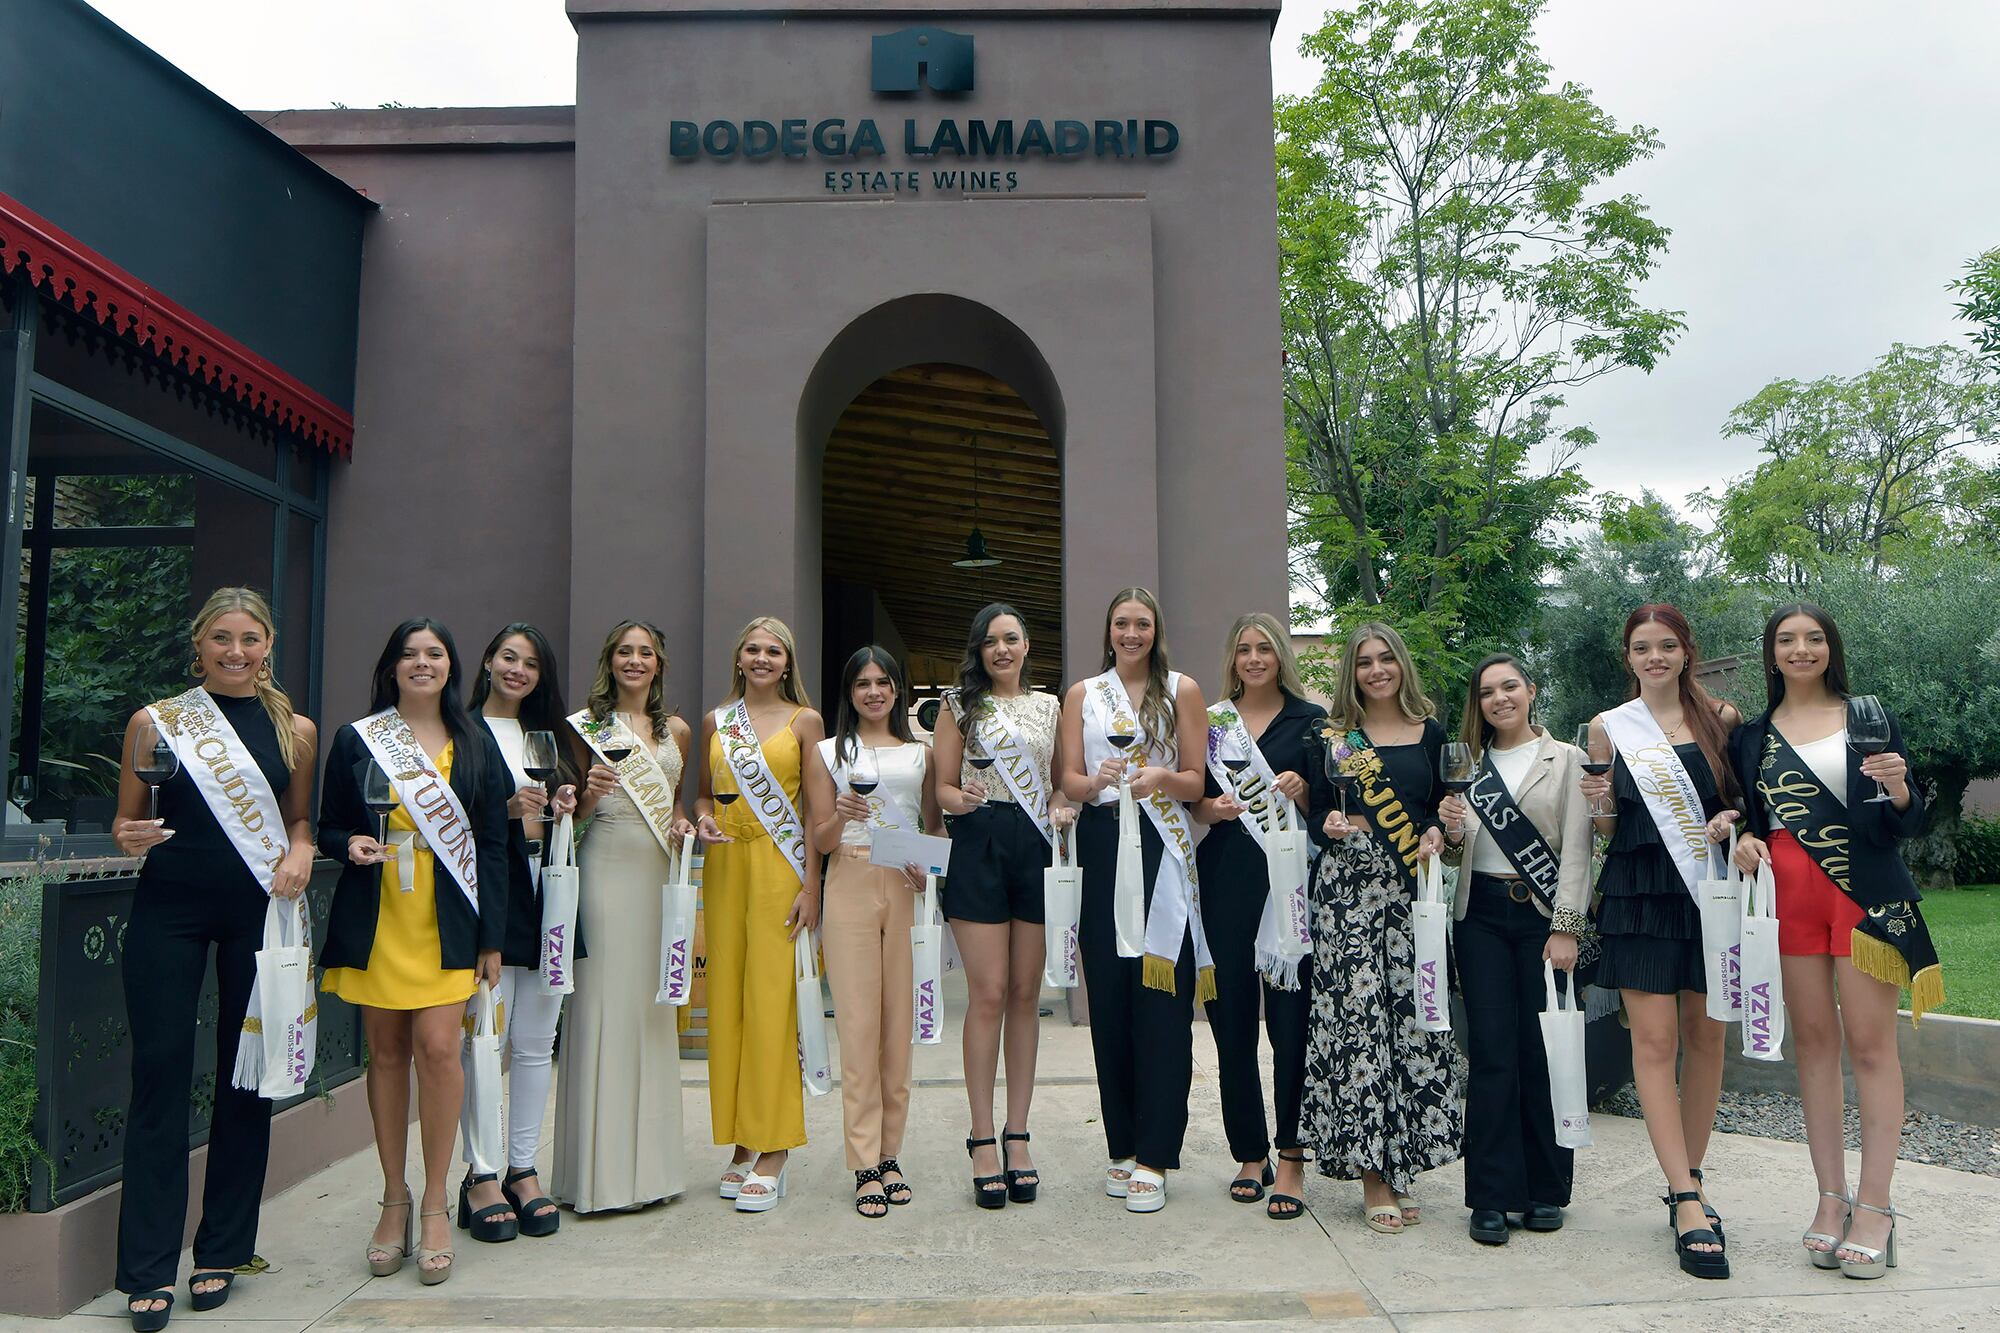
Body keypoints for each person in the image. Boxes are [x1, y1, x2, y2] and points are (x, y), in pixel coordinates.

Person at [110, 589, 319, 1331]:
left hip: (255, 910)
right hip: (168, 907)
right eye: (222, 639)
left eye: (251, 638)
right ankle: (145, 1266)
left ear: (268, 646)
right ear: (198, 645)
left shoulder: (294, 728)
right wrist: (128, 837)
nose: (237, 651)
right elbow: (125, 820)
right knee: (160, 1073)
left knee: (246, 1075)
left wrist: (301, 847)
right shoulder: (157, 720)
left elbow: (299, 818)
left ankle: (222, 1249)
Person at [1725, 603, 1938, 1279]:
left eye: (1814, 637)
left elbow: (1908, 824)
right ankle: (1829, 1196)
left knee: (1872, 1049)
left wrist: (1903, 790)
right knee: (1814, 1046)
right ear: (1771, 653)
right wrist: (1742, 834)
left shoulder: (1868, 716)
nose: (1801, 648)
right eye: (1787, 639)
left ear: (1831, 647)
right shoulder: (1752, 736)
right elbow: (1745, 815)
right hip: (1787, 903)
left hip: (1861, 898)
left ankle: (1876, 1206)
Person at [319, 620, 512, 1286]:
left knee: (437, 1047)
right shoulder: (357, 737)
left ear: (451, 666)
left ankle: (435, 1201)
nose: (421, 662)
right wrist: (349, 843)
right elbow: (328, 824)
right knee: (389, 1051)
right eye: (409, 652)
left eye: (434, 653)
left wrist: (493, 936)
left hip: (450, 916)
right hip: (380, 914)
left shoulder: (474, 739)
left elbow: (492, 844)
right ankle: (393, 1197)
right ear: (392, 665)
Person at [1580, 603, 1741, 1280]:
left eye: (1666, 645)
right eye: (1642, 647)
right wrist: (1597, 801)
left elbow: (1742, 800)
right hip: (1640, 890)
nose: (1655, 657)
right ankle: (1681, 1195)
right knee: (1654, 1042)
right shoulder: (1608, 726)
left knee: (1707, 1037)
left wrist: (1731, 816)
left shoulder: (1723, 719)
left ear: (1685, 650)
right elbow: (1606, 826)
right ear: (1628, 656)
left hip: (1707, 888)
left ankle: (1694, 1178)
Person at [1300, 620, 1463, 1235]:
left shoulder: (1434, 733)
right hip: (1348, 891)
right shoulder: (1339, 739)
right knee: (1359, 1023)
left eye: (1385, 659)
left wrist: (1434, 831)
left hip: (1410, 891)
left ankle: (1404, 1164)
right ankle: (1373, 1175)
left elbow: (1443, 814)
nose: (1376, 670)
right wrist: (1330, 828)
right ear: (1352, 672)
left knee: (1412, 1020)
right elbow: (1318, 811)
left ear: (1401, 666)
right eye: (1364, 662)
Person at [1057, 587, 1213, 1213]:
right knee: (1112, 1000)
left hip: (1160, 844)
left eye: (1141, 624)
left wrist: (1162, 778)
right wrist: (1093, 781)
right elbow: (1066, 778)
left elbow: (1197, 781)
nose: (1130, 633)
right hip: (1101, 841)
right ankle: (1121, 1145)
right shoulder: (1083, 695)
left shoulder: (1184, 689)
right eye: (1121, 623)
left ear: (1156, 630)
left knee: (1162, 1000)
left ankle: (1156, 1153)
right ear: (1108, 630)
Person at [1438, 654, 1593, 1245]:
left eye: (1509, 687)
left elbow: (1578, 851)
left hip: (1540, 918)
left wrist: (1566, 927)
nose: (1499, 699)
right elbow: (1455, 857)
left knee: (1542, 1051)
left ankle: (1545, 1189)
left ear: (1530, 690)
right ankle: (1491, 1196)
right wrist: (1450, 830)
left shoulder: (1567, 760)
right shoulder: (1467, 766)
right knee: (1493, 1052)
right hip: (1478, 919)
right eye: (1486, 692)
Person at [932, 604, 1074, 1209]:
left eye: (1012, 639)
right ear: (979, 650)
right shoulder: (957, 706)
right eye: (991, 642)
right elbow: (938, 789)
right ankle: (982, 1137)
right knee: (987, 994)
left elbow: (1063, 778)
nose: (1002, 650)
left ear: (1026, 645)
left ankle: (1019, 1134)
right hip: (979, 842)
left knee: (1025, 994)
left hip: (1035, 846)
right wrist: (956, 799)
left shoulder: (1050, 706)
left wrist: (1064, 804)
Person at [551, 620, 696, 1213]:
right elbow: (572, 811)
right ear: (609, 661)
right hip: (605, 868)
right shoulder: (585, 726)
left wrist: (684, 823)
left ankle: (651, 1174)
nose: (635, 661)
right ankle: (597, 1177)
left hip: (657, 874)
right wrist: (586, 793)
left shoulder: (678, 730)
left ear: (659, 664)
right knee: (602, 1006)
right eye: (624, 652)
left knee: (649, 1009)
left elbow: (678, 800)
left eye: (646, 653)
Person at [1190, 612, 1325, 1221]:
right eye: (1242, 649)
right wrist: (1209, 808)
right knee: (1231, 1023)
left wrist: (1307, 792)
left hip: (1292, 886)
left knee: (1292, 1023)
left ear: (1280, 657)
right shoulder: (1212, 722)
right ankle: (1249, 1152)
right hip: (1225, 882)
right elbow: (1191, 793)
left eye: (1264, 648)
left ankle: (1292, 1153)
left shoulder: (1313, 721)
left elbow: (1336, 804)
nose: (1253, 658)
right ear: (1232, 659)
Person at [803, 646, 944, 1217]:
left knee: (897, 1029)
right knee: (859, 1027)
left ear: (898, 689)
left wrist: (928, 866)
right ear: (849, 691)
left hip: (904, 887)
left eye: (884, 682)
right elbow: (820, 839)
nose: (874, 692)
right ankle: (864, 1162)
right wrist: (841, 815)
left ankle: (891, 1155)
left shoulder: (921, 754)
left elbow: (933, 829)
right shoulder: (827, 753)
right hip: (850, 885)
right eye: (862, 683)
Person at [694, 616, 824, 1213]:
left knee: (774, 1006)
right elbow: (700, 793)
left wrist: (813, 886)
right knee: (730, 1005)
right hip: (725, 872)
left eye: (774, 650)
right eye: (753, 649)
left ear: (787, 661)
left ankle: (775, 1149)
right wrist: (700, 817)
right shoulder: (718, 723)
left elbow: (818, 815)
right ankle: (744, 1139)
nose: (763, 658)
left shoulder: (806, 722)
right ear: (738, 658)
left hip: (780, 872)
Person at [464, 623, 581, 1234]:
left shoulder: (551, 735)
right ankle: (480, 1174)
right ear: (487, 660)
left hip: (549, 889)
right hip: (491, 893)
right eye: (507, 657)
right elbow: (452, 815)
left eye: (530, 663)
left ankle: (522, 1169)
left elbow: (570, 802)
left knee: (537, 1041)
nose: (518, 670)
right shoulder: (461, 731)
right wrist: (503, 811)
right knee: (485, 1038)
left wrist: (564, 806)